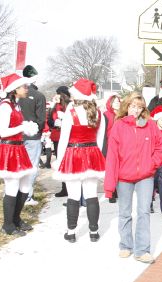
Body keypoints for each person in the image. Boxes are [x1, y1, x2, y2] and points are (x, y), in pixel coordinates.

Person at [104, 92, 162, 263]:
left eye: (139, 107)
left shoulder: (150, 125)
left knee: (144, 211)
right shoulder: (119, 126)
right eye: (132, 106)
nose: (135, 110)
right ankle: (125, 245)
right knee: (124, 212)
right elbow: (113, 156)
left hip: (145, 175)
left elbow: (160, 146)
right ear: (127, 106)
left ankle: (142, 250)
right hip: (124, 177)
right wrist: (109, 185)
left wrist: (152, 163)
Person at [52, 78, 106, 243]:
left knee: (73, 195)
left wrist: (59, 161)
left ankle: (71, 231)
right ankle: (94, 232)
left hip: (73, 153)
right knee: (91, 194)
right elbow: (100, 140)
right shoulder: (99, 113)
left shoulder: (71, 112)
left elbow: (63, 140)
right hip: (92, 153)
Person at [0, 73, 39, 236]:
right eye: (24, 86)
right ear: (15, 89)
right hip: (9, 150)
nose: (27, 88)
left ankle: (16, 219)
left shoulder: (16, 105)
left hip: (18, 148)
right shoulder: (5, 106)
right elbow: (3, 131)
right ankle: (7, 224)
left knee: (24, 186)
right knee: (12, 187)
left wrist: (25, 126)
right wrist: (23, 127)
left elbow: (14, 126)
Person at [18, 65, 46, 206]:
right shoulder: (39, 96)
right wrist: (37, 131)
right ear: (34, 78)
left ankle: (18, 193)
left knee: (19, 166)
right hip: (33, 136)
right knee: (32, 166)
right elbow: (41, 119)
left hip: (17, 136)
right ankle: (27, 196)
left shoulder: (16, 94)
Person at [50, 86, 71, 198]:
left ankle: (69, 187)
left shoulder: (68, 105)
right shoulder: (56, 105)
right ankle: (64, 187)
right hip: (57, 136)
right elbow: (50, 119)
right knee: (60, 162)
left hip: (66, 137)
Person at [102, 94, 122, 204]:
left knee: (120, 169)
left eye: (118, 101)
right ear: (110, 103)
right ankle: (111, 192)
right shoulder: (106, 115)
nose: (117, 103)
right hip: (110, 145)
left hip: (122, 145)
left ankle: (118, 190)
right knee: (110, 170)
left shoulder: (123, 115)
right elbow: (103, 133)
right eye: (115, 102)